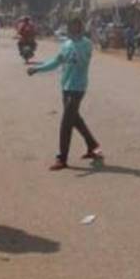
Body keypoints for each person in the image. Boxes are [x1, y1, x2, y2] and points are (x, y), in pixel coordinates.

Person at [28, 16, 102, 170]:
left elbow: (83, 62)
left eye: (77, 26)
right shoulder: (66, 44)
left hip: (78, 88)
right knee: (75, 119)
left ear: (81, 27)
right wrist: (37, 68)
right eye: (72, 26)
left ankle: (62, 158)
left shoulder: (86, 44)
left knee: (66, 122)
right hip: (66, 86)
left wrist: (76, 45)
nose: (74, 29)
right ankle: (92, 145)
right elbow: (56, 62)